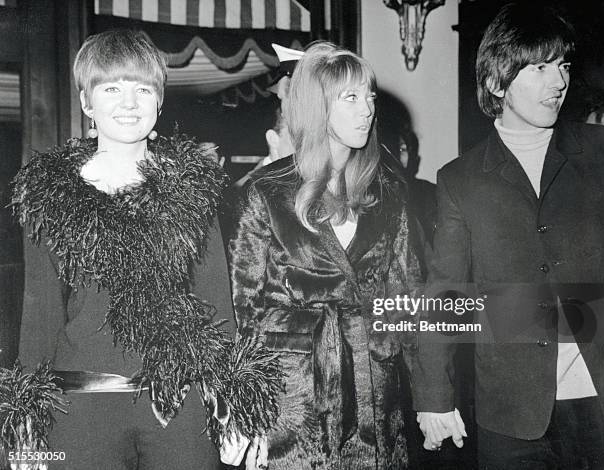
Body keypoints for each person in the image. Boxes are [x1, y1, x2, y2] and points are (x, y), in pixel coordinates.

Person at [10, 29, 280, 469]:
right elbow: (39, 320)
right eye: (111, 88)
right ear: (86, 103)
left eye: (142, 89)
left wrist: (236, 409)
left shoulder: (193, 190)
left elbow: (216, 308)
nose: (129, 103)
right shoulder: (48, 197)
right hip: (79, 412)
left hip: (181, 409)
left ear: (159, 101)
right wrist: (26, 425)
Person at [413, 3, 604, 469]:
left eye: (561, 66)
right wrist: (434, 397)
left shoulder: (602, 154)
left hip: (601, 407)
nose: (558, 82)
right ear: (497, 81)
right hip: (513, 416)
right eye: (540, 68)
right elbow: (446, 293)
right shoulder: (461, 180)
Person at [229, 41, 425, 469]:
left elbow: (408, 298)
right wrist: (246, 413)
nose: (367, 110)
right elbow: (244, 311)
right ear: (317, 107)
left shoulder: (389, 191)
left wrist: (431, 399)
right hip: (294, 403)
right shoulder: (266, 193)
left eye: (369, 97)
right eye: (350, 98)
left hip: (376, 398)